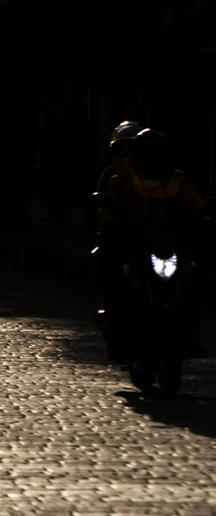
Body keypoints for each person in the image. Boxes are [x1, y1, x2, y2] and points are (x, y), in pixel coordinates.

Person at [96, 128, 207, 359]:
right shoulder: (121, 179)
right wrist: (113, 220)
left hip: (166, 244)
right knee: (113, 274)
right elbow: (108, 210)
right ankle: (116, 325)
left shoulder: (176, 180)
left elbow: (195, 204)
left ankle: (190, 337)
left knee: (192, 279)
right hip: (132, 243)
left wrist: (202, 211)